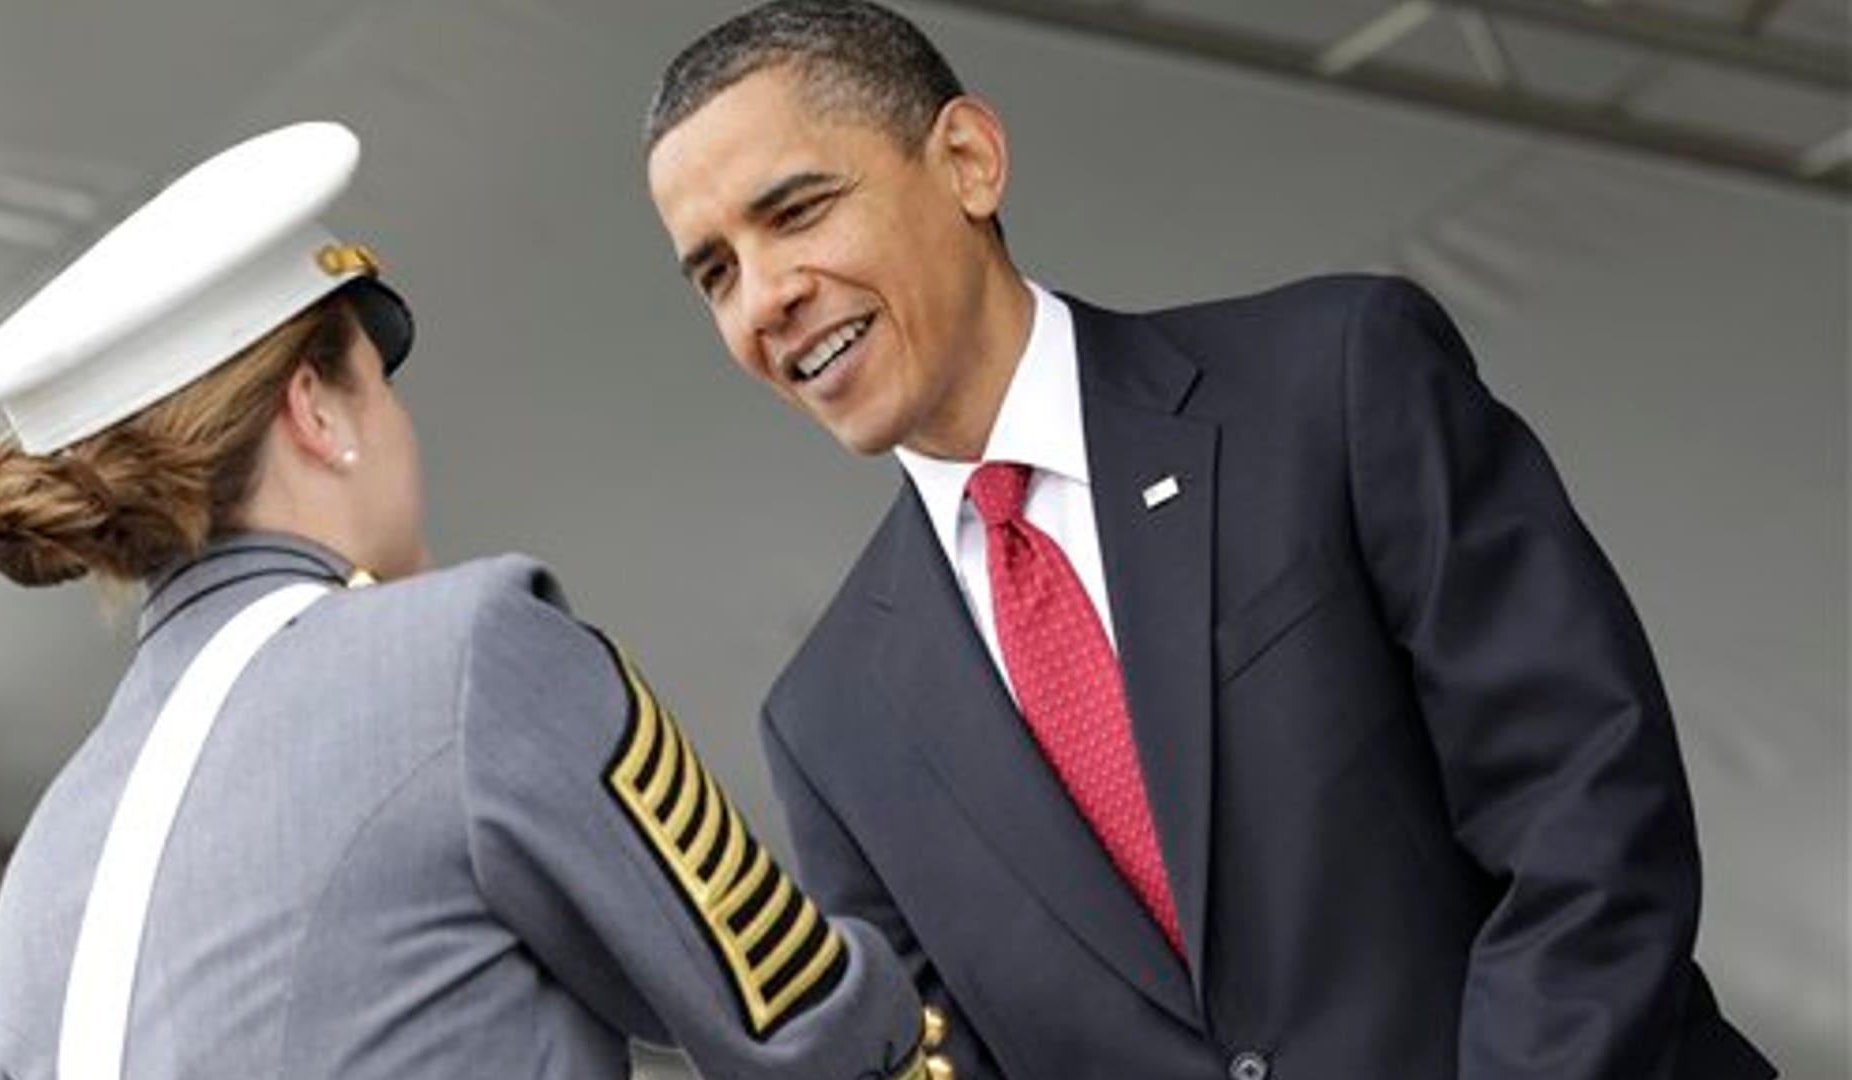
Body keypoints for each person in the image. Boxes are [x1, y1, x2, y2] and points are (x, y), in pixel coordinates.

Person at [641, 2, 1776, 1077]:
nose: (763, 299)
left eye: (795, 212)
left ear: (969, 161)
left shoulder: (1334, 382)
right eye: (714, 273)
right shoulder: (828, 721)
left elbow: (1585, 812)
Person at [0, 120, 949, 1080]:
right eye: (380, 382)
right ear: (317, 407)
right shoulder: (468, 650)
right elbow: (811, 1029)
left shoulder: (45, 869)